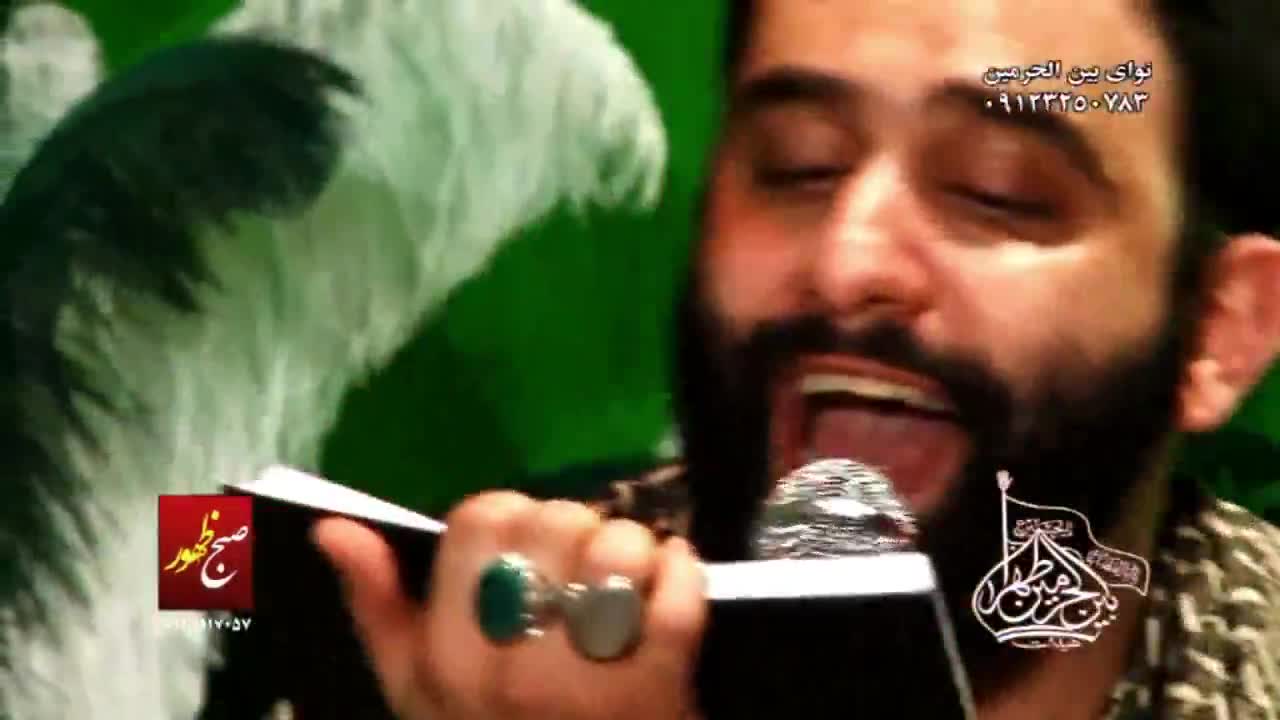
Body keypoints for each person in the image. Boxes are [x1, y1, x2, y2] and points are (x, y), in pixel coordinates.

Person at [312, 0, 1280, 718]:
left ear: (1220, 331)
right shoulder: (456, 649)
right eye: (796, 167)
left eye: (998, 192)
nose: (846, 260)